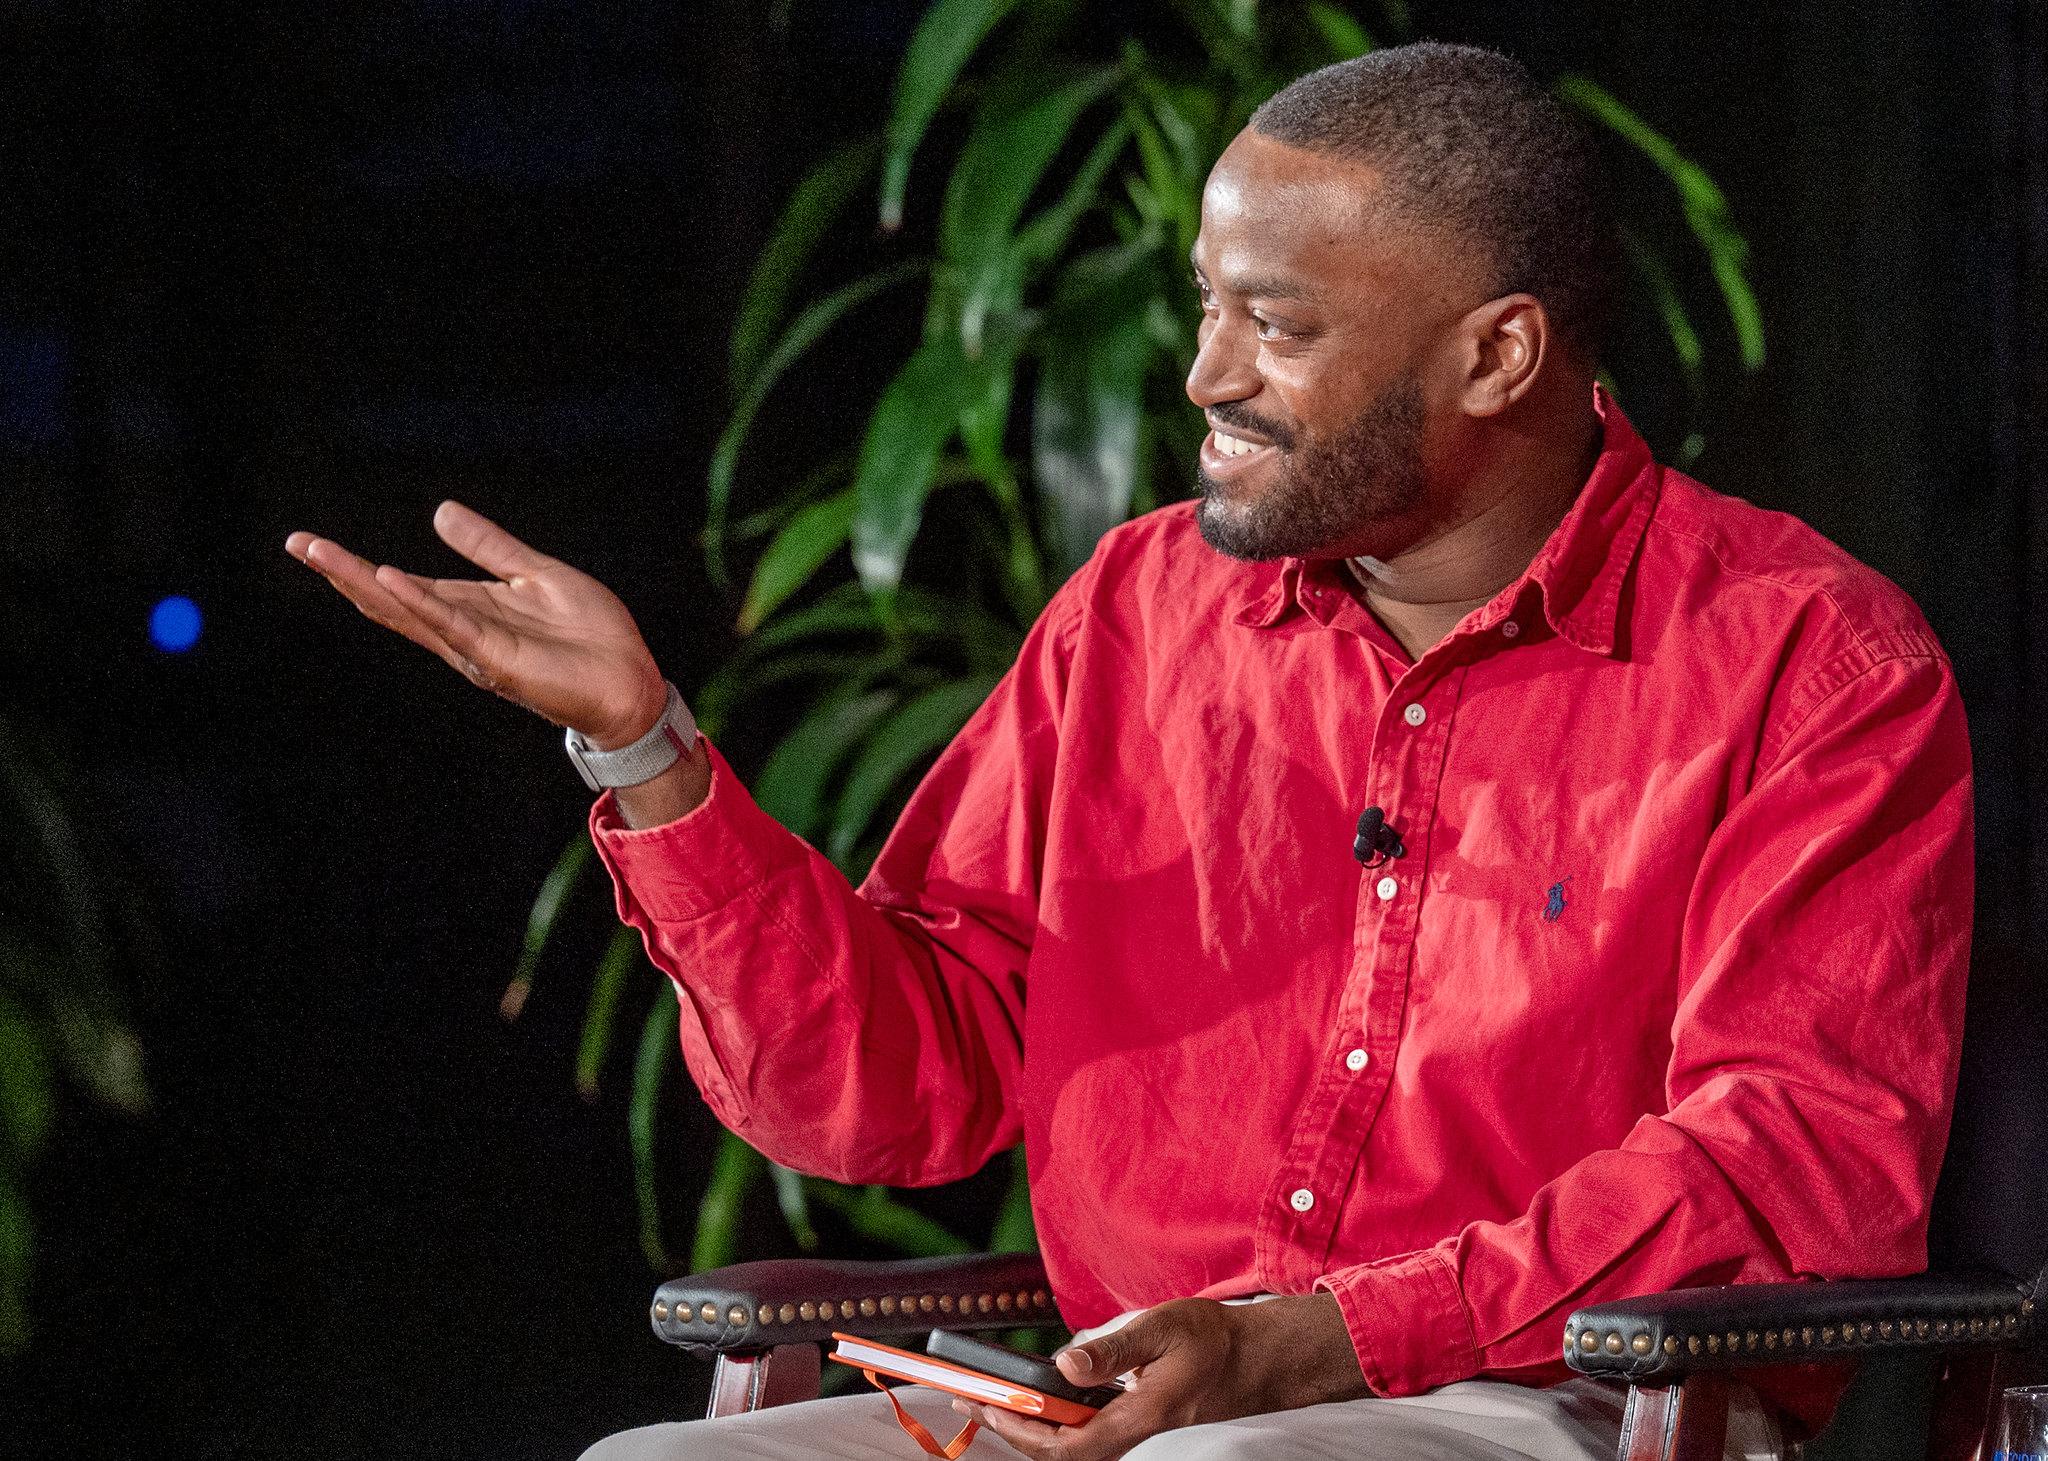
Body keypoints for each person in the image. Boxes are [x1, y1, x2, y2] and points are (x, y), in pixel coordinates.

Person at [285, 42, 1972, 1461]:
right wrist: (645, 749)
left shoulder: (1812, 662)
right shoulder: (1143, 609)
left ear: (1497, 353)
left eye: (1278, 325)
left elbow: (1791, 1171)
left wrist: (1312, 1342)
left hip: (1559, 1405)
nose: (1203, 373)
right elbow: (901, 1079)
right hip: (1127, 1409)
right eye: (1204, 306)